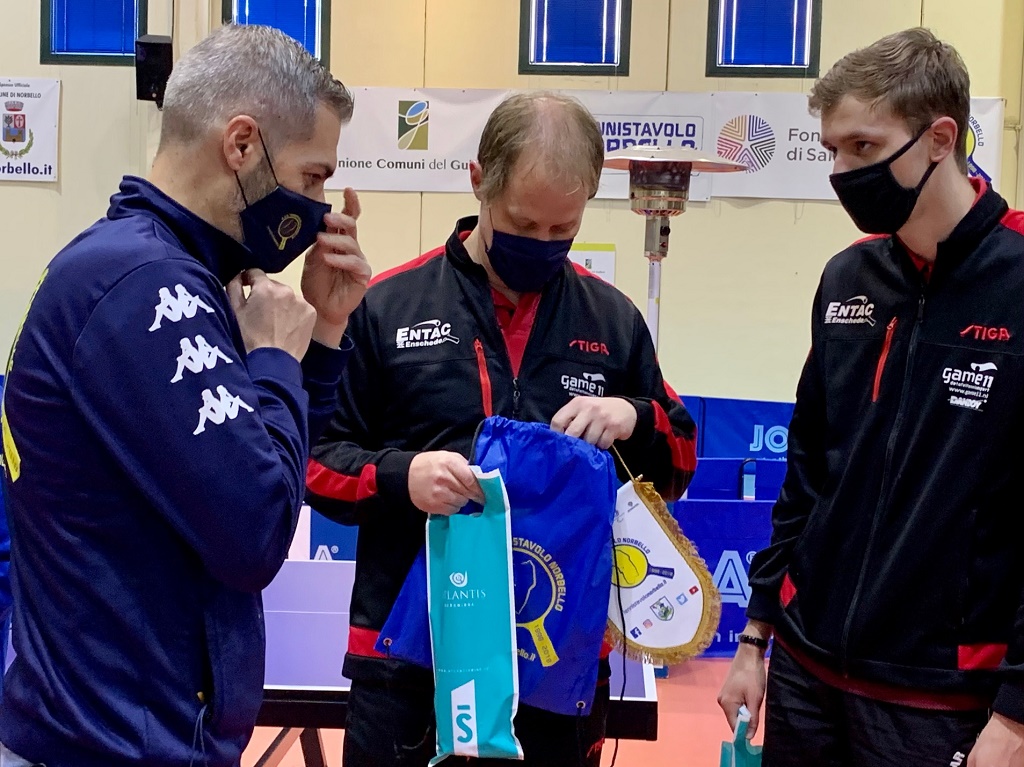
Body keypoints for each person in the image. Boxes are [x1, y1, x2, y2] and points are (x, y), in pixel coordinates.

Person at [0, 25, 371, 767]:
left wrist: (325, 331)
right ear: (242, 144)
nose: (320, 207)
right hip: (108, 745)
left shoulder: (157, 270)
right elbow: (257, 532)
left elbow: (268, 462)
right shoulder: (147, 285)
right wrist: (274, 358)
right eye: (312, 177)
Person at [306, 91, 698, 766]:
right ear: (479, 180)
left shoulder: (612, 319)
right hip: (408, 664)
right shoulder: (386, 306)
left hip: (554, 667)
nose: (542, 242)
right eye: (523, 222)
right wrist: (402, 476)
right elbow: (316, 462)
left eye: (562, 227)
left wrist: (634, 417)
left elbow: (681, 460)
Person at [718, 27, 1024, 767]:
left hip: (942, 696)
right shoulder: (846, 279)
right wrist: (756, 636)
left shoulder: (1017, 279)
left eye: (863, 147)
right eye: (832, 149)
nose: (841, 172)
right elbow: (806, 473)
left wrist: (1017, 713)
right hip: (806, 670)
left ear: (940, 138)